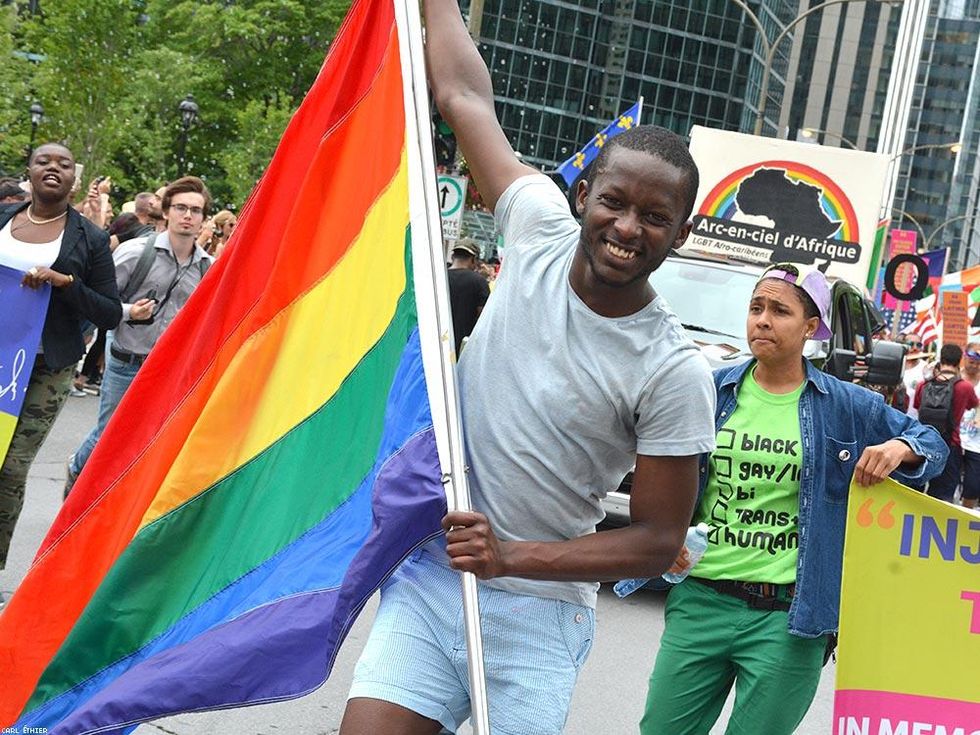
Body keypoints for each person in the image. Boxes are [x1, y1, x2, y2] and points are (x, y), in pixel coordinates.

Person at [339, 3, 717, 734]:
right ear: (583, 196)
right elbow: (465, 99)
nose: (628, 228)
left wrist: (510, 555)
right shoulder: (537, 225)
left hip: (540, 618)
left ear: (683, 231)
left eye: (655, 216)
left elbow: (657, 539)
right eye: (613, 201)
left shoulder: (673, 369)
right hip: (431, 577)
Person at [639, 264, 947, 735]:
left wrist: (899, 447)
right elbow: (665, 469)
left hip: (789, 621)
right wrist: (669, 532)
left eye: (780, 310)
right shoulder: (711, 389)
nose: (762, 320)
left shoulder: (847, 406)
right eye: (756, 307)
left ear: (810, 327)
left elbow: (933, 443)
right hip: (700, 600)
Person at [0, 143, 121, 586]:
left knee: (10, 467)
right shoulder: (4, 218)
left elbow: (110, 311)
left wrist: (65, 283)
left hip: (45, 368)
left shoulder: (87, 238)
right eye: (44, 161)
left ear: (74, 178)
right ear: (28, 171)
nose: (53, 168)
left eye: (64, 164)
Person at [65, 176, 214, 495]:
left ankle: (112, 501)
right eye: (181, 208)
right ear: (167, 212)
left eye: (196, 210)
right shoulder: (135, 253)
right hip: (126, 361)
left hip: (170, 369)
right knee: (110, 435)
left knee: (150, 438)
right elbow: (100, 302)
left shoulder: (208, 268)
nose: (188, 215)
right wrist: (130, 311)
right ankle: (78, 469)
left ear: (203, 218)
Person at [912, 343, 977, 503]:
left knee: (913, 490)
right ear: (959, 361)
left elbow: (916, 407)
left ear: (941, 359)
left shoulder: (923, 384)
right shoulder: (965, 387)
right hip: (950, 445)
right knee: (942, 497)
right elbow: (974, 405)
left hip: (922, 442)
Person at [446, 237, 490, 353]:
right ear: (474, 260)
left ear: (452, 257)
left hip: (432, 345)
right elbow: (484, 319)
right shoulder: (479, 282)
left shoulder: (438, 276)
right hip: (462, 350)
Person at [955, 342, 980, 509]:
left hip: (976, 444)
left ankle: (965, 515)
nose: (975, 365)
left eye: (979, 362)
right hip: (954, 440)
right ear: (964, 357)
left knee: (973, 487)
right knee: (947, 485)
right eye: (972, 360)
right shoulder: (954, 378)